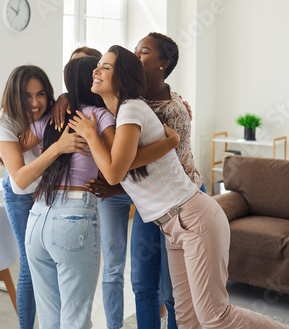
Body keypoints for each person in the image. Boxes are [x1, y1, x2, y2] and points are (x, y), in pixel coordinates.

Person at [68, 44, 289, 329]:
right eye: (97, 65)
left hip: (193, 219)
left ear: (122, 77)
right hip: (173, 227)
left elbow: (114, 172)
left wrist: (90, 135)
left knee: (214, 316)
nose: (96, 70)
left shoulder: (131, 109)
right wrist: (168, 142)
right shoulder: (121, 116)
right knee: (187, 319)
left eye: (106, 67)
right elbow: (130, 164)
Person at [23, 56, 179, 329]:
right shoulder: (100, 117)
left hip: (36, 218)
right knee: (76, 316)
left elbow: (19, 141)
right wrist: (170, 141)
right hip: (72, 217)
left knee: (49, 316)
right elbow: (123, 161)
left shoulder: (50, 117)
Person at [0, 65, 90, 329]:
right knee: (29, 266)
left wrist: (65, 97)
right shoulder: (5, 121)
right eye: (27, 96)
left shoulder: (54, 110)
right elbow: (21, 178)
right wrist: (57, 148)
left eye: (41, 94)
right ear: (15, 95)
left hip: (49, 192)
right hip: (22, 195)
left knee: (52, 266)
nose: (35, 102)